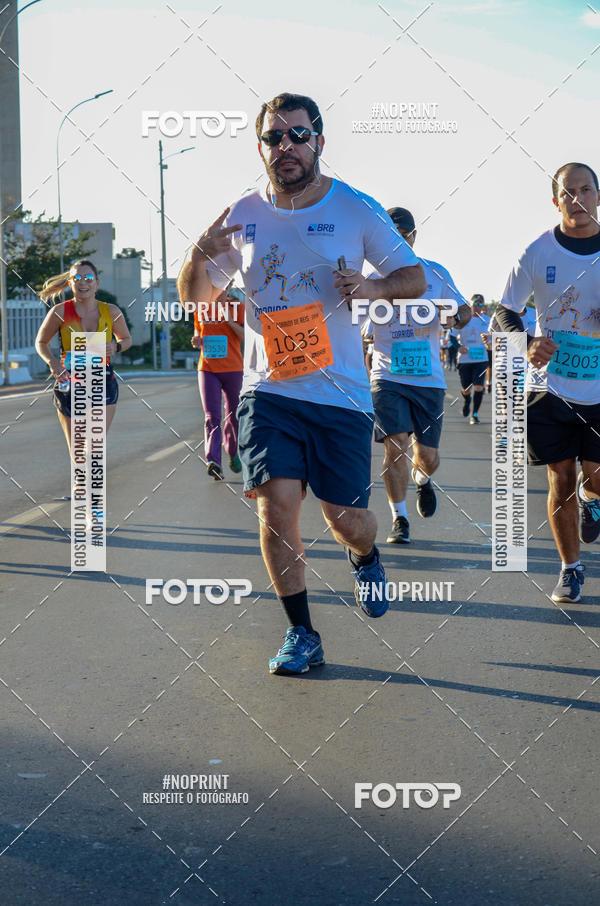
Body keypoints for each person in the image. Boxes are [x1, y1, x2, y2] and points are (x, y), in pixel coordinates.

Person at [177, 92, 426, 675]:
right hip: (269, 392)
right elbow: (196, 298)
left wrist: (373, 289)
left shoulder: (356, 207)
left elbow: (411, 275)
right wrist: (197, 256)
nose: (285, 147)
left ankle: (365, 556)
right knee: (277, 507)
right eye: (273, 138)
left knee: (346, 520)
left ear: (319, 140)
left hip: (340, 392)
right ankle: (302, 634)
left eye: (296, 135)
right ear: (260, 145)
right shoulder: (242, 214)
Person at [496, 161, 600, 604]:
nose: (577, 200)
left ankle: (592, 497)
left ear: (598, 195)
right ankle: (570, 569)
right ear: (556, 201)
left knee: (594, 475)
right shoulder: (537, 251)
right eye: (568, 193)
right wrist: (526, 343)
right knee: (559, 477)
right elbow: (505, 311)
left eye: (585, 190)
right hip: (550, 387)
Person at [364, 206, 471, 544]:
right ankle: (400, 519)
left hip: (428, 379)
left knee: (428, 457)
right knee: (394, 447)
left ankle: (423, 480)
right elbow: (358, 330)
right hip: (387, 374)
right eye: (392, 234)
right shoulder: (372, 280)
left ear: (413, 236)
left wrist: (455, 318)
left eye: (404, 234)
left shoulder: (435, 274)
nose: (399, 240)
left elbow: (465, 309)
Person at [35, 259, 131, 464]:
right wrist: (53, 363)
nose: (82, 282)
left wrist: (116, 346)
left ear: (97, 282)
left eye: (88, 278)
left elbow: (126, 339)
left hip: (102, 382)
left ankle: (88, 482)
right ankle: (80, 484)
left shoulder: (111, 312)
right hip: (70, 383)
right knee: (77, 448)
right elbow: (41, 342)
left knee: (95, 444)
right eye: (77, 278)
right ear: (70, 283)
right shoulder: (60, 312)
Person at [191, 285, 245, 480]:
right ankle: (213, 461)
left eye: (223, 285)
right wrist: (196, 339)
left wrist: (227, 317)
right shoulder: (201, 308)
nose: (218, 289)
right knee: (212, 416)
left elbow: (244, 336)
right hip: (207, 368)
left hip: (233, 369)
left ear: (229, 286)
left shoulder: (238, 307)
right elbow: (198, 330)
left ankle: (232, 451)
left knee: (233, 415)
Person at [456, 294, 489, 424]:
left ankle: (474, 414)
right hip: (465, 359)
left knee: (479, 387)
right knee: (466, 389)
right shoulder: (462, 319)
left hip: (481, 359)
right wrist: (458, 346)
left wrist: (491, 341)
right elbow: (452, 336)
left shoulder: (487, 320)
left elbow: (494, 335)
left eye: (480, 304)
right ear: (470, 305)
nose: (477, 306)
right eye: (475, 303)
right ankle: (467, 400)